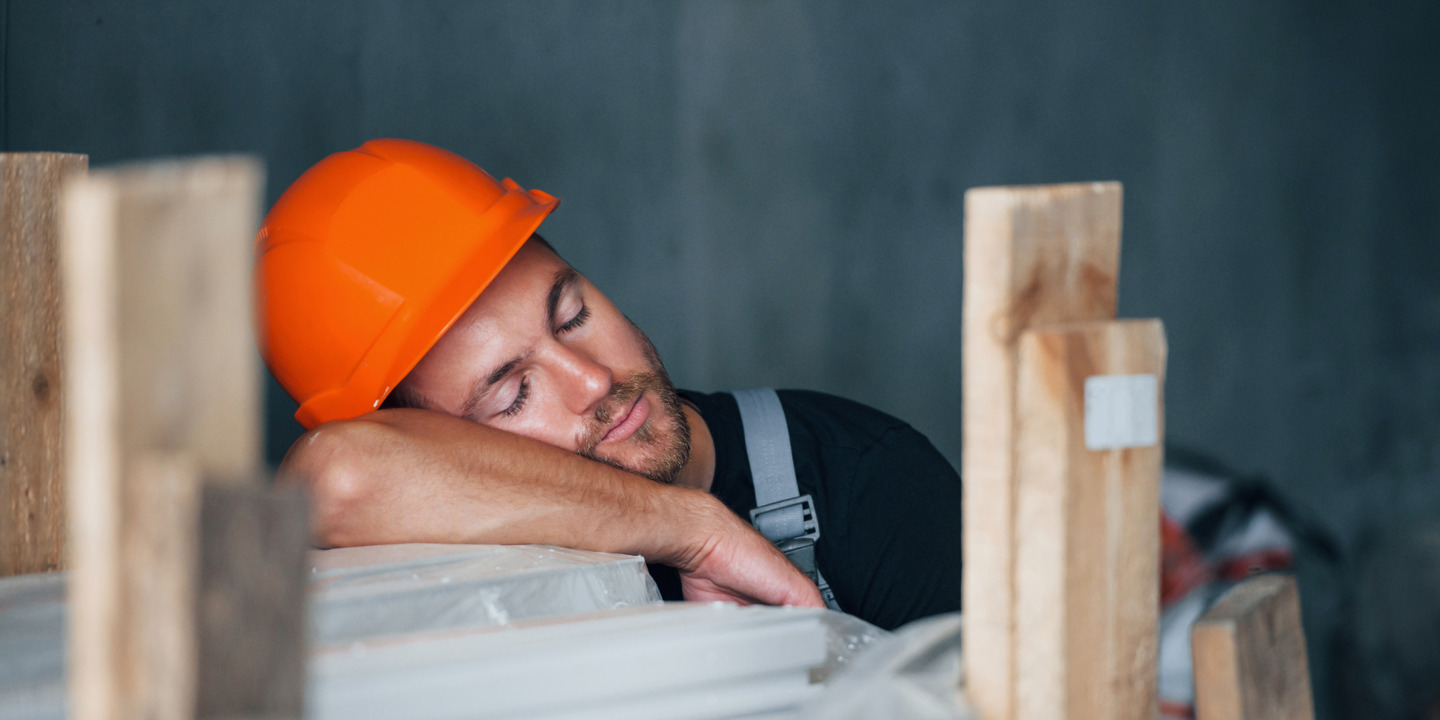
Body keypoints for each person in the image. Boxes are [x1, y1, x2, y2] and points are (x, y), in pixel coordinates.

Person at [257, 139, 963, 630]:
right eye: (512, 393)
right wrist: (697, 532)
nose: (592, 379)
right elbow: (337, 479)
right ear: (414, 434)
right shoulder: (418, 593)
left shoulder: (871, 483)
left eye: (572, 315)